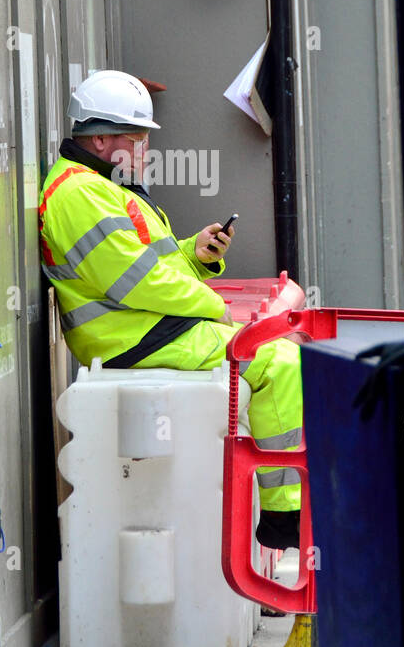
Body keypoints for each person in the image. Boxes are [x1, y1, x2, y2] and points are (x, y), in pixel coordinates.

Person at [39, 69, 302, 550]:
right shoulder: (80, 194)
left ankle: (286, 511)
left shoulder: (97, 185)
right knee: (281, 361)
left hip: (146, 328)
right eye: (136, 138)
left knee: (279, 354)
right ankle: (286, 519)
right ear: (100, 139)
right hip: (135, 338)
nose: (145, 149)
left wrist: (195, 253)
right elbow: (135, 282)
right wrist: (216, 308)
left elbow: (145, 267)